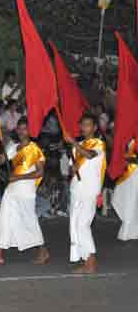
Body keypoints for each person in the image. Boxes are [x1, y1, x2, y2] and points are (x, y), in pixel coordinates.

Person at [0, 117, 50, 265]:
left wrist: (19, 177)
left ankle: (43, 250)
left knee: (29, 220)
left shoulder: (35, 149)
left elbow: (40, 173)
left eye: (25, 128)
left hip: (26, 190)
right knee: (4, 218)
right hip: (12, 189)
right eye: (20, 129)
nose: (22, 132)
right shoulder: (13, 147)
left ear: (30, 131)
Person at [64, 114, 106, 274]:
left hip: (90, 189)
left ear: (94, 128)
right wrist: (72, 170)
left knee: (83, 224)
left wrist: (72, 141)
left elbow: (89, 155)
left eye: (88, 125)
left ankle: (92, 261)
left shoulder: (98, 143)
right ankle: (86, 259)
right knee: (75, 225)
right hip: (76, 188)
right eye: (82, 125)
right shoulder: (77, 145)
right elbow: (71, 169)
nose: (84, 128)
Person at [112, 139, 138, 241]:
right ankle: (128, 230)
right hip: (129, 173)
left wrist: (130, 158)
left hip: (135, 172)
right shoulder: (129, 138)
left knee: (132, 201)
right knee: (129, 200)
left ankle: (130, 231)